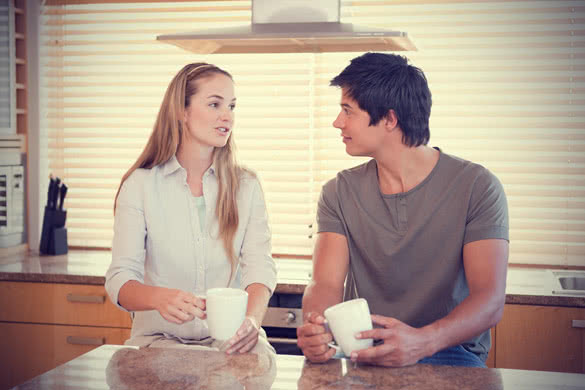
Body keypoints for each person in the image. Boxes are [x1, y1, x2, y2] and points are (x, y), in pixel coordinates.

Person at [296, 53, 509, 367]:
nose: (337, 122)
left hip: (448, 352)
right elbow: (325, 283)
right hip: (363, 349)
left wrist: (424, 342)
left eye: (347, 110)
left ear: (389, 120)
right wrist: (317, 326)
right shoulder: (338, 192)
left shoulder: (477, 187)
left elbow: (489, 300)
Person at [105, 63, 277, 355]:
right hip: (157, 342)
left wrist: (252, 320)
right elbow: (120, 278)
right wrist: (157, 298)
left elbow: (260, 266)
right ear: (182, 112)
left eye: (232, 106)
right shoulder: (141, 184)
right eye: (214, 104)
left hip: (231, 344)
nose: (227, 116)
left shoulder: (246, 186)